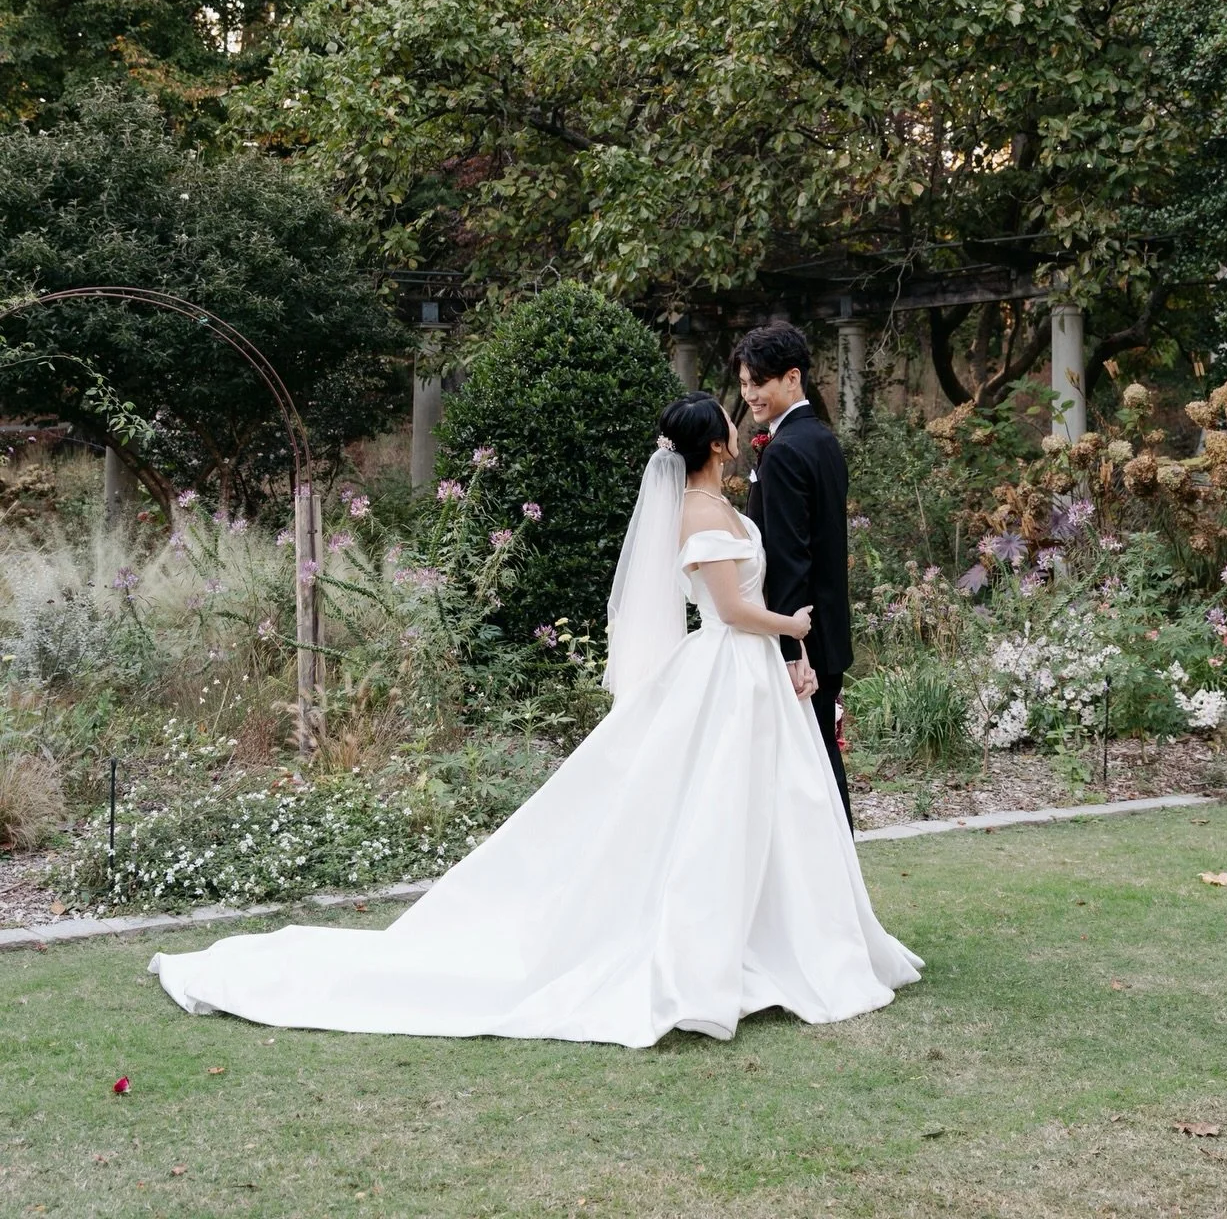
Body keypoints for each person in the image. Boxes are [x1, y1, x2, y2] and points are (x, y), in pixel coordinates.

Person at [149, 392, 920, 1046]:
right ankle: (723, 950)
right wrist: (793, 627)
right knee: (718, 811)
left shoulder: (715, 504)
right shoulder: (699, 516)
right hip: (729, 670)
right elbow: (728, 609)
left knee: (773, 809)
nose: (738, 431)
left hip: (746, 679)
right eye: (729, 424)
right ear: (716, 446)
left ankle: (780, 936)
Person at [732, 323, 854, 826]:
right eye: (743, 384)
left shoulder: (784, 451)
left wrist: (788, 648)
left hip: (800, 637)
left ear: (793, 378)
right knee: (819, 756)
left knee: (810, 765)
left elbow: (789, 558)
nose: (750, 394)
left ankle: (835, 877)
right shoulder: (821, 440)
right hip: (825, 629)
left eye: (759, 382)